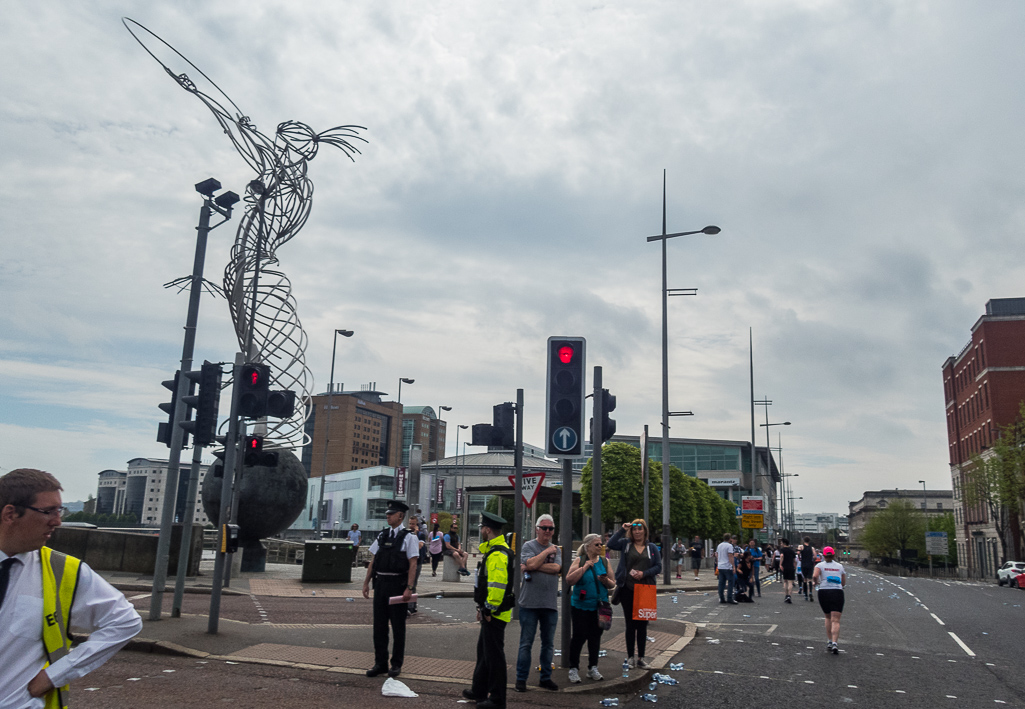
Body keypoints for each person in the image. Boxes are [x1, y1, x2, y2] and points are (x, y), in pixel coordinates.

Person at [0, 468, 143, 708]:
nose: (57, 520)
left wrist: (55, 674)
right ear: (10, 513)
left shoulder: (64, 570)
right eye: (48, 511)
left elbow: (125, 621)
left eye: (60, 510)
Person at [362, 500, 419, 678]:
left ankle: (396, 664)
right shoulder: (382, 535)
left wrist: (409, 588)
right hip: (381, 584)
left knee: (398, 627)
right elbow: (373, 561)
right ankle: (380, 663)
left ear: (400, 516)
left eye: (391, 513)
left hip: (397, 585)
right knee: (379, 627)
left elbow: (413, 563)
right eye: (387, 513)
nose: (387, 516)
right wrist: (366, 583)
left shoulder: (410, 537)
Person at [463, 512, 512, 709]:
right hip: (491, 610)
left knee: (494, 656)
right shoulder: (495, 551)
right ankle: (479, 690)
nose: (481, 530)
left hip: (496, 613)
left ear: (488, 530)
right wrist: (483, 608)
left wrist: (489, 610)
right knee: (484, 652)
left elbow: (497, 586)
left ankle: (497, 699)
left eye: (483, 527)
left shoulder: (498, 554)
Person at [515, 514, 561, 693]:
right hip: (529, 604)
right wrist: (546, 553)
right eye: (544, 528)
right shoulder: (529, 546)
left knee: (548, 644)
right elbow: (530, 562)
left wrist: (533, 566)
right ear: (537, 529)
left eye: (551, 528)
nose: (548, 531)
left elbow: (556, 568)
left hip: (549, 604)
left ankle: (545, 678)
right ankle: (521, 679)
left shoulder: (557, 549)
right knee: (526, 643)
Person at [608, 519, 662, 668]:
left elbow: (658, 566)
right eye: (634, 529)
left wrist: (644, 573)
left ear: (645, 531)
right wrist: (621, 530)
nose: (637, 532)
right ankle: (630, 657)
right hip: (627, 589)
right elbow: (611, 545)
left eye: (640, 529)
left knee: (642, 625)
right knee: (630, 624)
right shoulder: (626, 544)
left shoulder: (651, 548)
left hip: (645, 590)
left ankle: (641, 658)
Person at [566, 534, 614, 683]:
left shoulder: (605, 562)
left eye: (601, 544)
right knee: (579, 637)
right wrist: (585, 567)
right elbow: (569, 579)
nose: (600, 547)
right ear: (587, 547)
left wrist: (606, 581)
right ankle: (573, 668)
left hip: (599, 607)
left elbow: (612, 584)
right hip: (581, 606)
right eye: (596, 545)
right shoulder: (579, 560)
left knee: (595, 637)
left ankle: (593, 667)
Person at [813, 546, 846, 654]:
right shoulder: (840, 566)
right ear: (833, 555)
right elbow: (843, 582)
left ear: (823, 555)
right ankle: (835, 643)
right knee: (835, 619)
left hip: (824, 592)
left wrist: (816, 582)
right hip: (837, 592)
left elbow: (815, 576)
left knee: (827, 616)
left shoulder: (819, 565)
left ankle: (830, 641)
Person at [407, 517, 427, 615]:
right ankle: (408, 605)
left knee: (413, 584)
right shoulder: (406, 534)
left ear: (417, 525)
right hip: (407, 562)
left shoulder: (421, 535)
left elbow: (419, 546)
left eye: (413, 524)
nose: (411, 526)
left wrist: (414, 534)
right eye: (410, 523)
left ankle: (412, 606)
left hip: (417, 562)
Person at [715, 533, 737, 604]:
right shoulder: (729, 546)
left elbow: (717, 555)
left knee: (721, 583)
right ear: (730, 538)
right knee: (730, 582)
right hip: (727, 566)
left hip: (721, 566)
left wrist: (718, 564)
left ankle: (721, 598)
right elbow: (730, 556)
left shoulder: (719, 545)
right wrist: (733, 566)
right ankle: (729, 598)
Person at [778, 538, 797, 603]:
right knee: (790, 582)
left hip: (785, 567)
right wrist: (795, 567)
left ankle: (786, 596)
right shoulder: (792, 551)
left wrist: (780, 564)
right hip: (791, 567)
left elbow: (782, 556)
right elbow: (794, 560)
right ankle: (789, 596)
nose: (781, 544)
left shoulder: (782, 550)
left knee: (785, 581)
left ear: (784, 543)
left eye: (781, 543)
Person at [798, 537, 817, 602]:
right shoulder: (812, 548)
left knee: (805, 580)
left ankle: (806, 595)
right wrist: (813, 560)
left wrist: (800, 557)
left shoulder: (801, 547)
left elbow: (798, 553)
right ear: (809, 541)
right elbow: (815, 556)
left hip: (803, 564)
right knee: (810, 579)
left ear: (804, 541)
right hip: (810, 564)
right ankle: (811, 592)